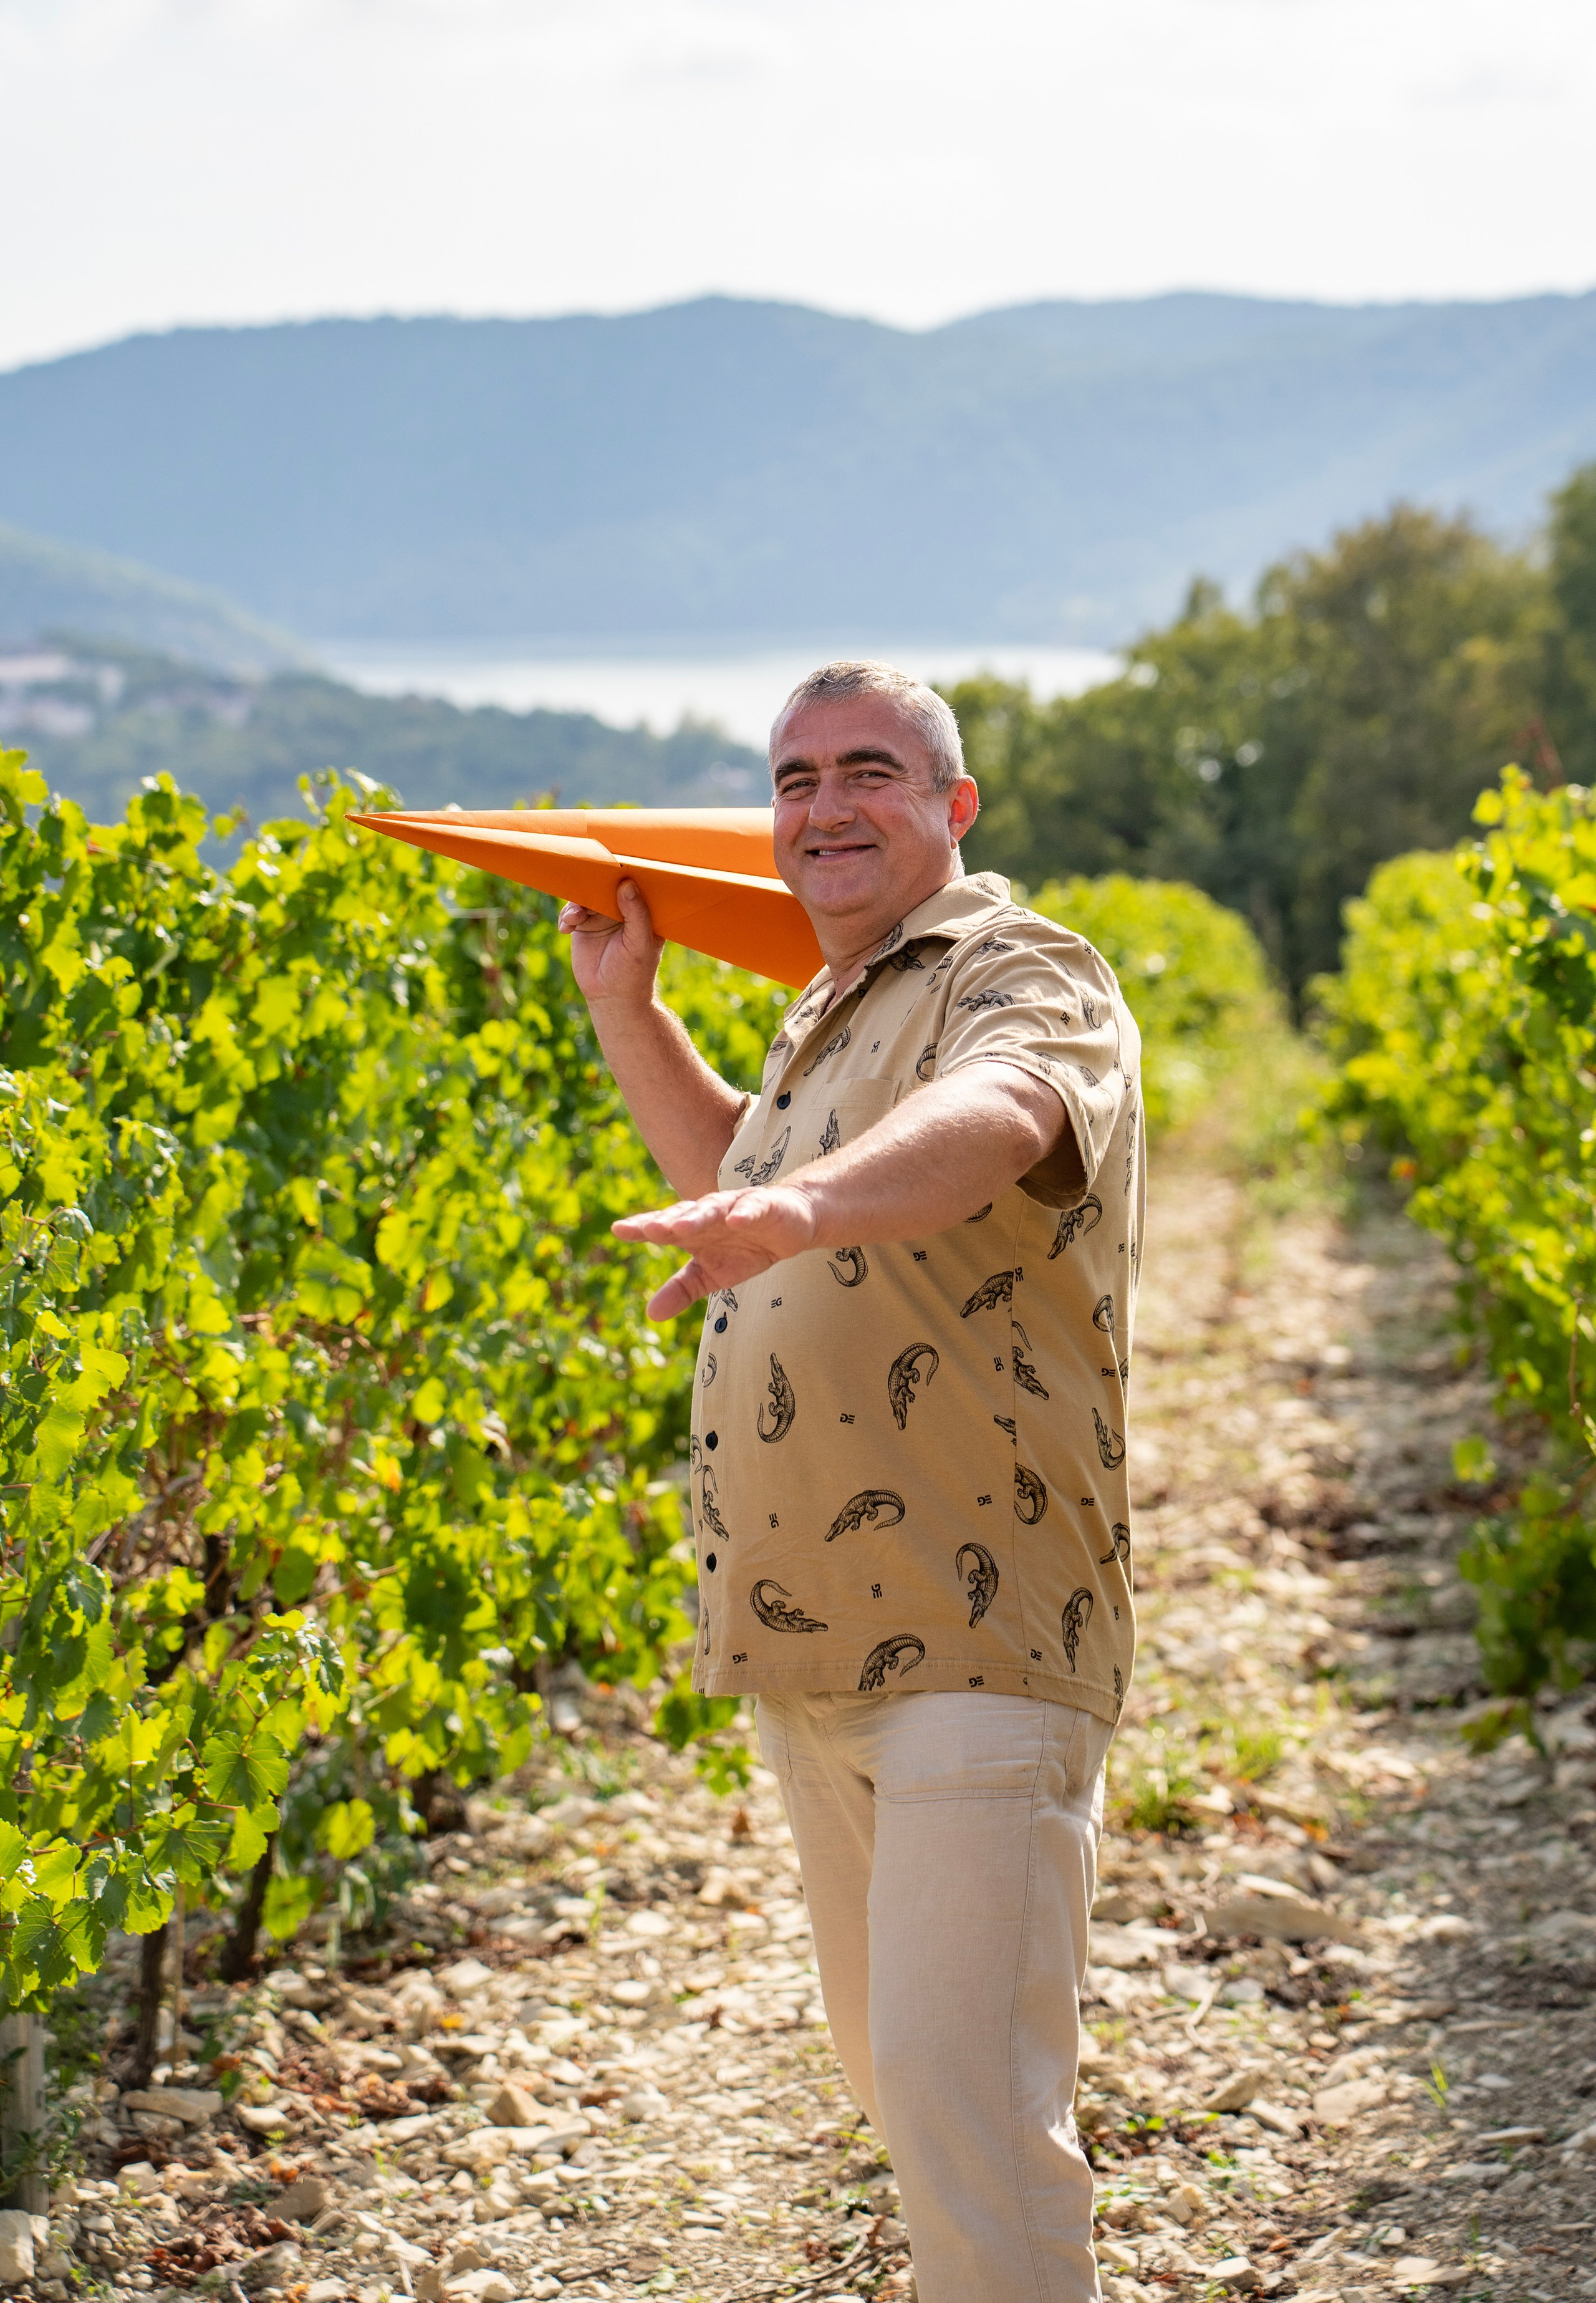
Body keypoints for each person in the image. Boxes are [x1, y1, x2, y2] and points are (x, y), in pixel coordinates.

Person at [559, 660, 1143, 2303]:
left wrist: (803, 1208)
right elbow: (748, 1193)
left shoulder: (1019, 968)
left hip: (978, 1630)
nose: (824, 806)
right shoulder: (832, 1004)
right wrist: (629, 1011)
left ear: (955, 806)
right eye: (795, 778)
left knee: (973, 2124)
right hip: (818, 1639)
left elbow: (1002, 1112)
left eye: (869, 771)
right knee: (908, 2091)